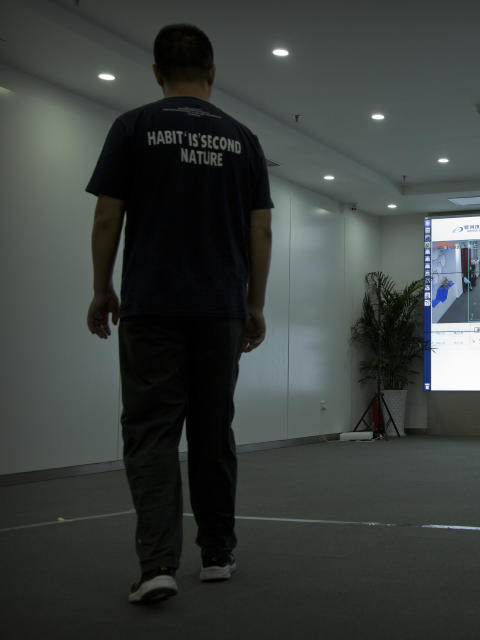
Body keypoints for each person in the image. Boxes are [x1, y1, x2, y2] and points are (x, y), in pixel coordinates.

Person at [85, 24, 273, 603]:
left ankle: (158, 566)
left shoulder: (132, 127)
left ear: (157, 73)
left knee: (151, 433)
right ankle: (217, 555)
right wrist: (254, 304)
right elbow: (260, 230)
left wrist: (101, 288)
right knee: (213, 431)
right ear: (212, 72)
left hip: (152, 306)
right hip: (219, 310)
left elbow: (106, 218)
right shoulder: (243, 140)